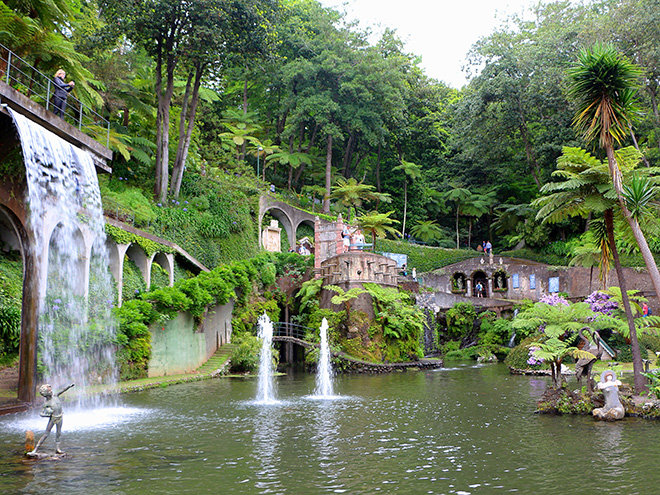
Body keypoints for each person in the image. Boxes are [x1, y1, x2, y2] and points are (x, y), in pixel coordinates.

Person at [28, 383, 75, 456]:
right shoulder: (46, 403)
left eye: (51, 390)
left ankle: (57, 448)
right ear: (46, 394)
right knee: (46, 434)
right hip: (53, 418)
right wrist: (48, 413)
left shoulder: (56, 396)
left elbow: (63, 390)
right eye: (49, 391)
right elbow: (41, 414)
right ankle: (35, 449)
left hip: (60, 417)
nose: (51, 392)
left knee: (58, 433)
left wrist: (69, 386)